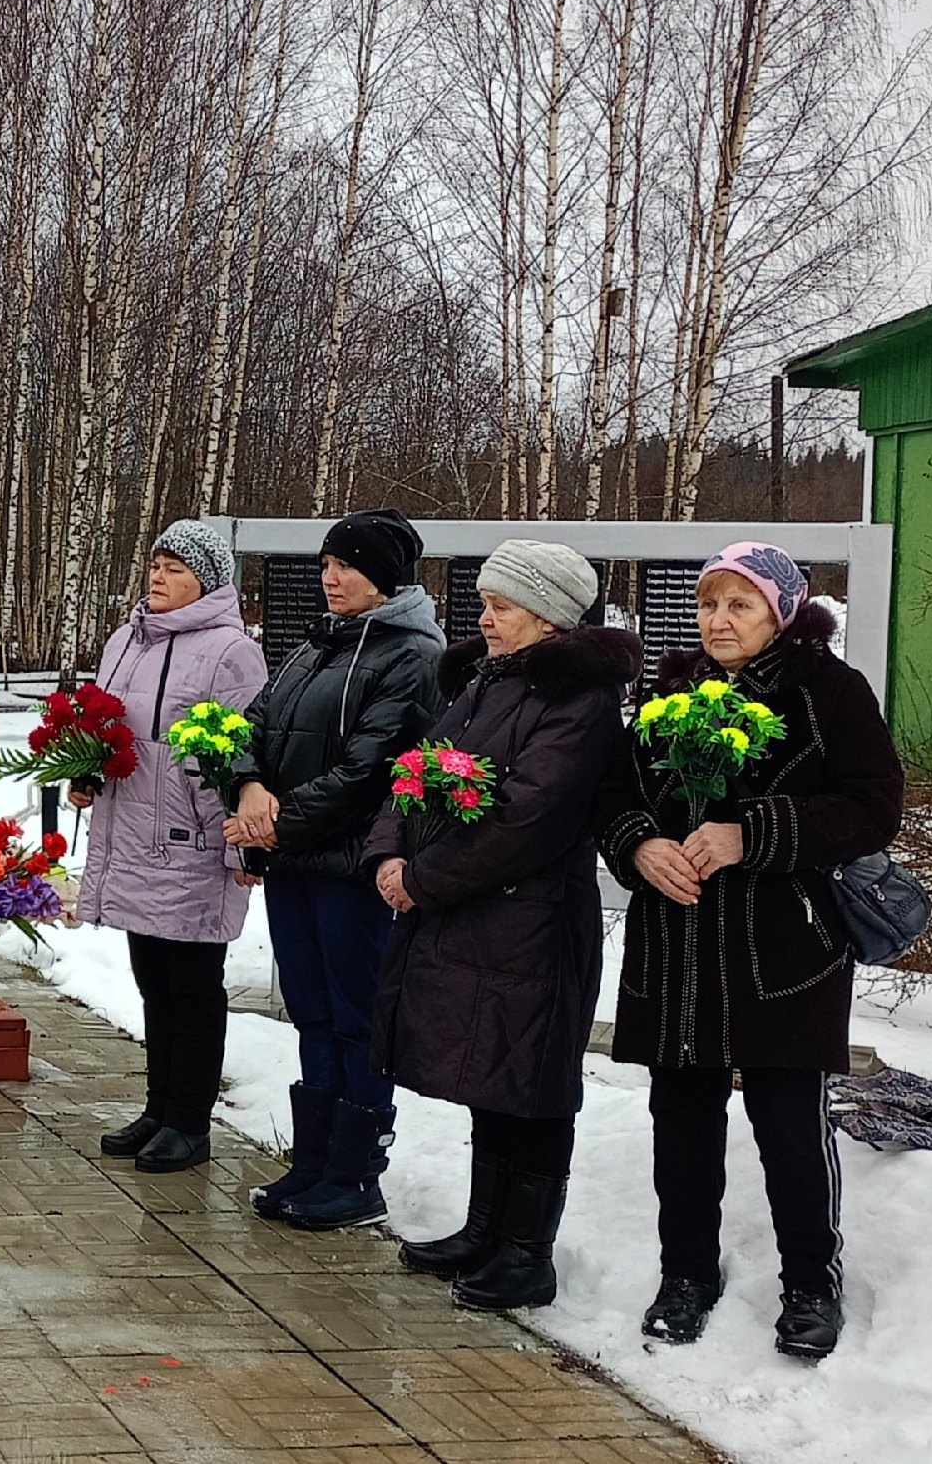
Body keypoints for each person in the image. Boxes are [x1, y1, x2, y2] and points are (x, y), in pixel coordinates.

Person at [594, 542, 902, 1361]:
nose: (720, 621)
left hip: (784, 946)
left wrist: (749, 833)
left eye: (740, 604)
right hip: (680, 941)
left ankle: (811, 1281)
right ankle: (687, 1272)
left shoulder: (828, 692)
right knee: (682, 1120)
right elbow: (615, 790)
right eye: (708, 604)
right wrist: (638, 846)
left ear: (781, 610)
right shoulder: (672, 687)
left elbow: (873, 807)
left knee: (790, 1123)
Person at [367, 539, 637, 1310]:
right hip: (472, 916)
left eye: (502, 606)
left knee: (535, 1083)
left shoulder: (578, 701)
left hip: (534, 924)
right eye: (484, 602)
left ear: (549, 616)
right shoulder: (485, 683)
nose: (484, 618)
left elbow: (529, 817)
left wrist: (423, 880)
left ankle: (527, 1251)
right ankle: (485, 1226)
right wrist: (388, 853)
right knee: (494, 1076)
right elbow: (415, 770)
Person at [223, 508, 443, 1230]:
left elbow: (366, 770)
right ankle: (313, 1161)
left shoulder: (411, 655)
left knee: (356, 1019)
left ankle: (356, 1174)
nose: (330, 576)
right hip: (295, 862)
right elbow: (248, 729)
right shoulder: (316, 645)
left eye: (345, 564)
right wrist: (250, 787)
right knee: (311, 1012)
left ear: (384, 574)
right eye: (325, 563)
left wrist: (272, 819)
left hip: (353, 870)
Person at [71, 520, 269, 1173]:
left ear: (208, 582)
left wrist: (243, 850)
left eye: (176, 568)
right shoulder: (126, 638)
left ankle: (190, 1121)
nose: (158, 576)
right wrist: (85, 765)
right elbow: (106, 719)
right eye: (156, 563)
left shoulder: (230, 651)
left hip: (193, 840)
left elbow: (245, 755)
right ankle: (159, 1108)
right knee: (151, 978)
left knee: (193, 984)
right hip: (130, 833)